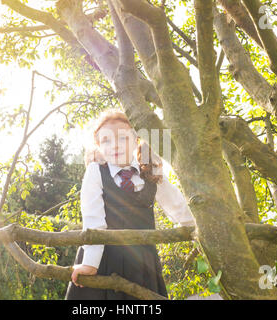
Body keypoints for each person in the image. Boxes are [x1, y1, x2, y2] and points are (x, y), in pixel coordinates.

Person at [65, 109, 196, 300]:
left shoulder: (150, 171)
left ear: (136, 140)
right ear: (98, 146)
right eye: (106, 141)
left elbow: (178, 207)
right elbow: (93, 221)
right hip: (103, 261)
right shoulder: (96, 173)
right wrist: (91, 263)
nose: (115, 146)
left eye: (122, 138)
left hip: (142, 265)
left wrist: (199, 232)